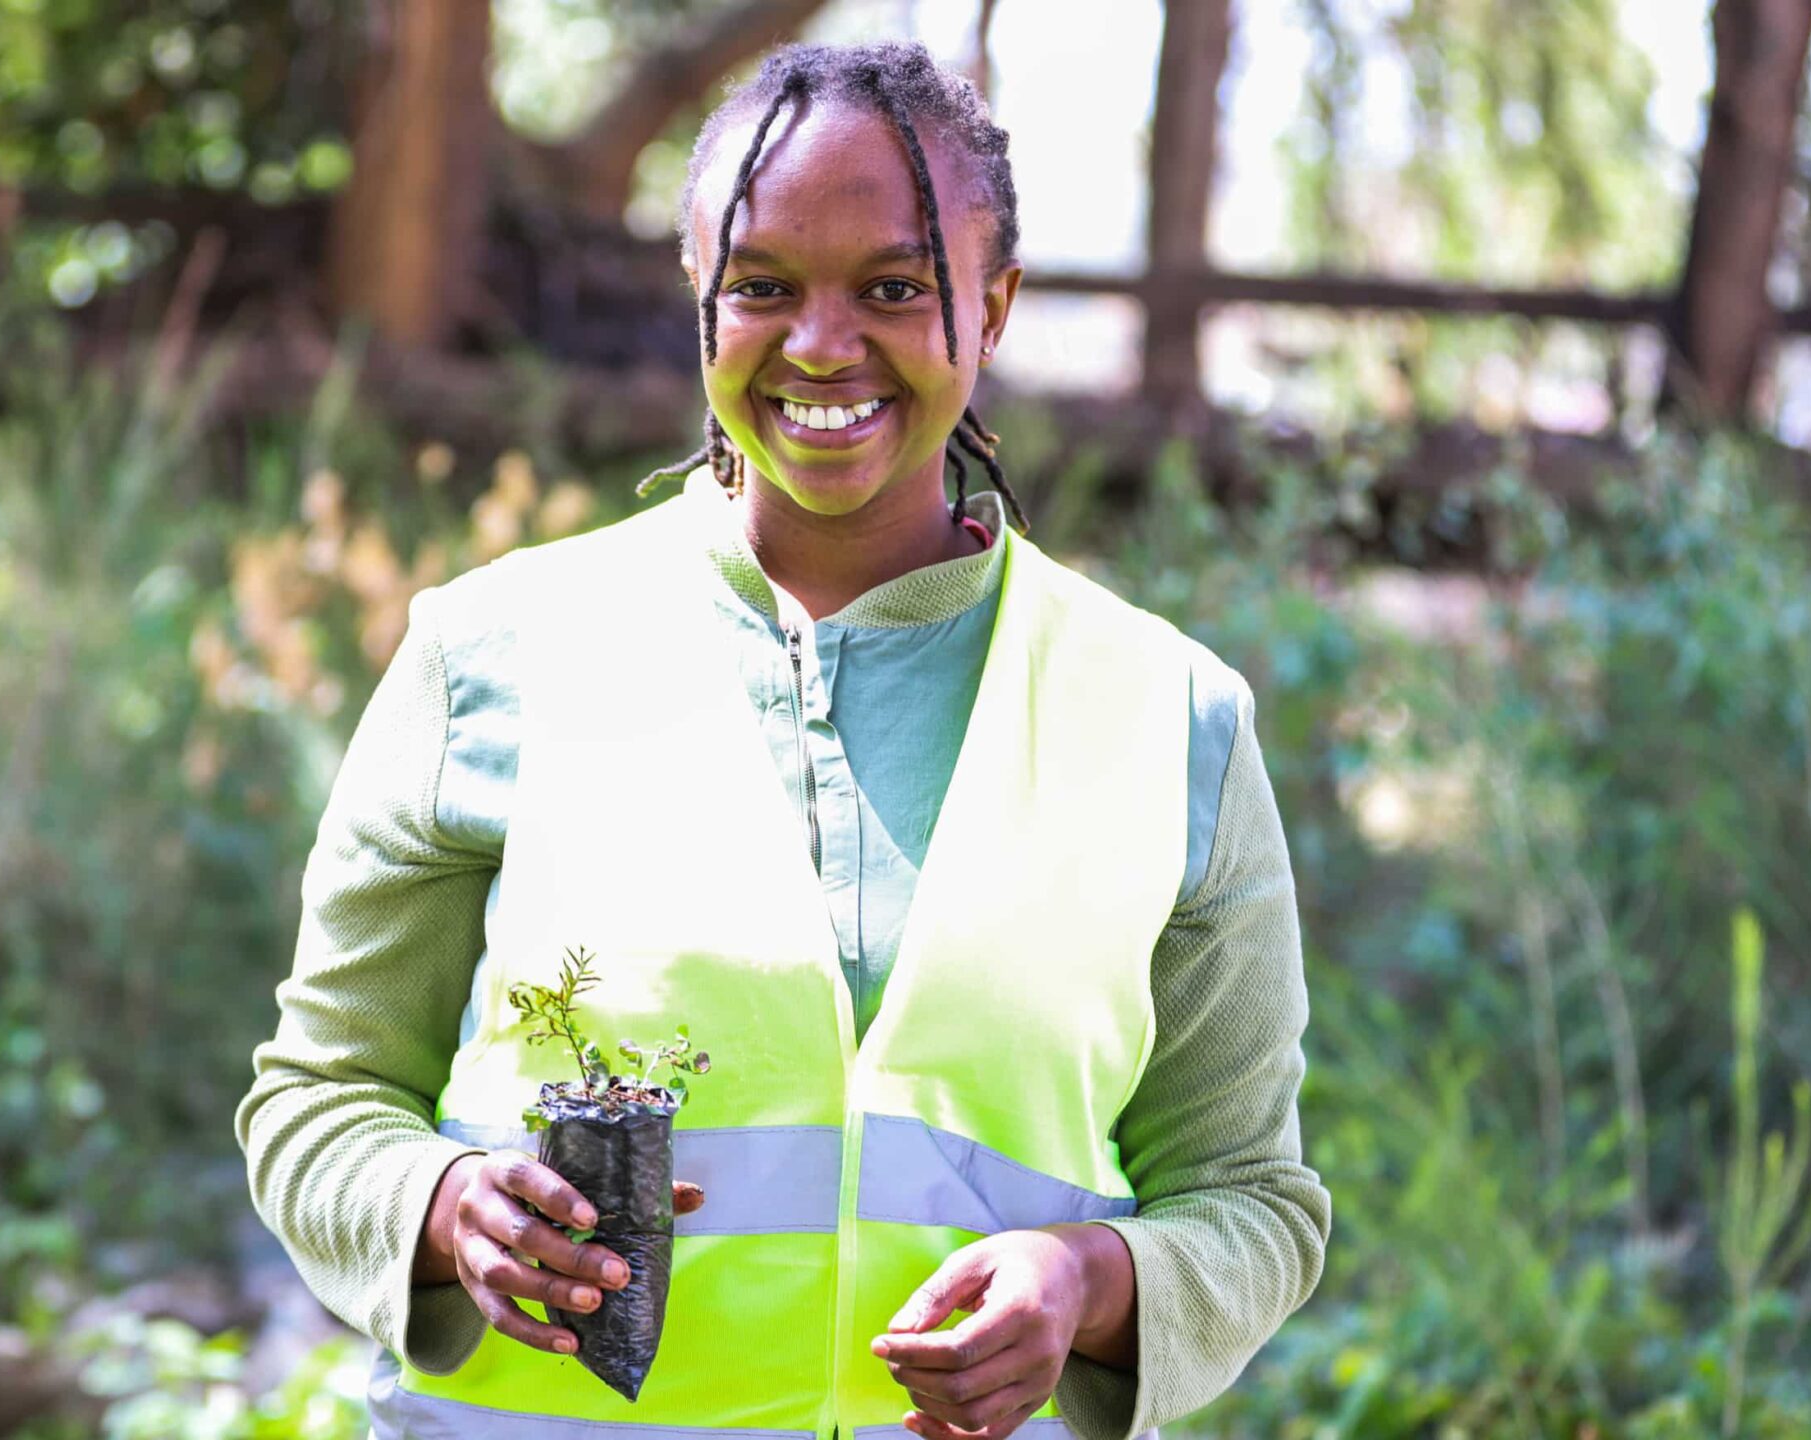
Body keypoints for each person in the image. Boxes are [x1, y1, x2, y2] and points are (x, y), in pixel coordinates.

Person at [237, 40, 1329, 1440]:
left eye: (893, 286)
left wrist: (1097, 1284)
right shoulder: (492, 656)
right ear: (699, 293)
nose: (821, 345)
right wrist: (438, 1209)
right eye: (762, 285)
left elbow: (1255, 1200)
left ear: (992, 307)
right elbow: (320, 1103)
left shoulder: (1169, 717)